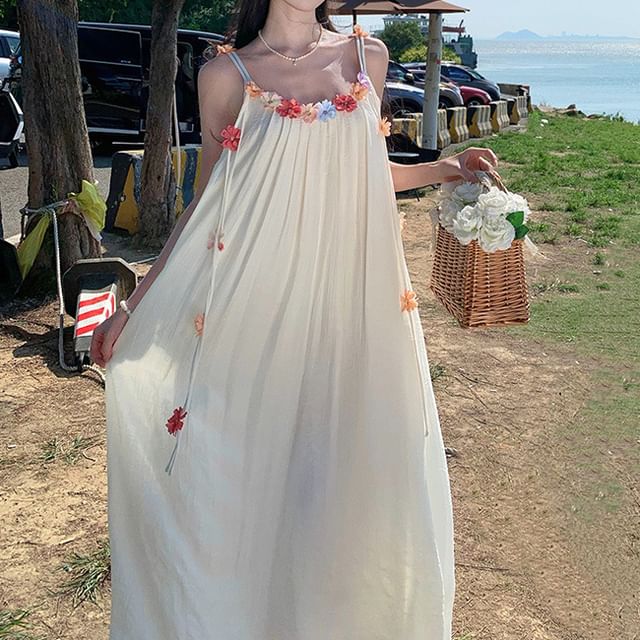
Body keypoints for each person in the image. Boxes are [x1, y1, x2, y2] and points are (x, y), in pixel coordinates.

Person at [92, 1, 499, 637]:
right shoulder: (225, 75)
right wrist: (135, 303)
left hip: (349, 311)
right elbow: (206, 203)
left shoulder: (366, 56)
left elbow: (367, 170)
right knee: (240, 486)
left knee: (342, 491)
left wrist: (447, 168)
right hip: (252, 311)